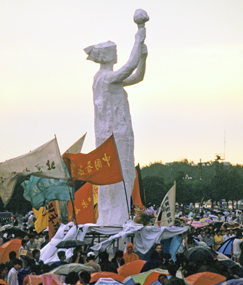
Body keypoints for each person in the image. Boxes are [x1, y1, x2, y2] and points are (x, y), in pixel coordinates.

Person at [84, 22, 148, 226]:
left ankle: (118, 214)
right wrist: (139, 37)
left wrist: (144, 58)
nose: (117, 54)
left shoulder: (110, 78)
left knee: (125, 170)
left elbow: (137, 76)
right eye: (114, 51)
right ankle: (113, 217)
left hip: (120, 130)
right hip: (112, 133)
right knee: (116, 174)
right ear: (107, 56)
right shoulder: (104, 78)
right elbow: (130, 66)